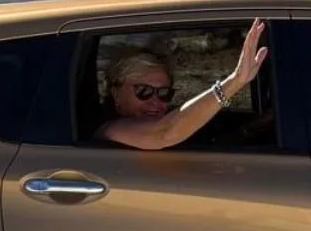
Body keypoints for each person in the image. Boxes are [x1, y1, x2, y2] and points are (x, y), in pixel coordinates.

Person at [95, 20, 267, 150]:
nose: (155, 102)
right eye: (143, 91)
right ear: (116, 94)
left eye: (164, 93)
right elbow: (165, 132)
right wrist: (235, 82)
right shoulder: (111, 131)